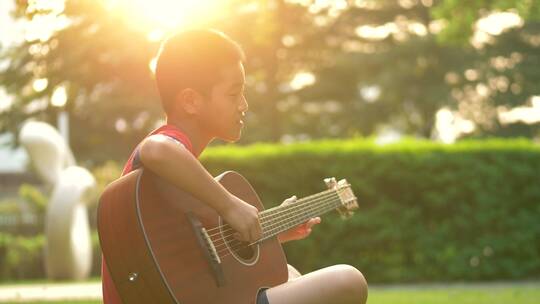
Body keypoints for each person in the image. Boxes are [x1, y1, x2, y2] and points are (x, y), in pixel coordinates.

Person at [101, 29, 368, 304]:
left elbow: (193, 262)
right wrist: (230, 205)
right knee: (347, 280)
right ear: (191, 101)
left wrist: (269, 232)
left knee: (289, 274)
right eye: (233, 93)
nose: (244, 105)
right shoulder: (169, 144)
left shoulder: (177, 182)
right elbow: (155, 149)